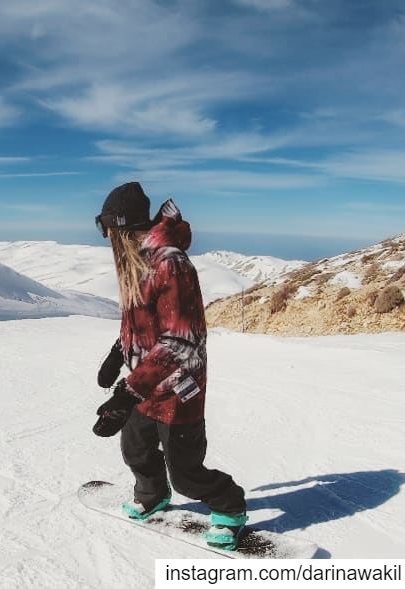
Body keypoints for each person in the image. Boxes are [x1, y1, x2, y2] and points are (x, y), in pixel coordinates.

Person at [92, 181, 247, 551]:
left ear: (123, 229)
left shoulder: (171, 264)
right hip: (144, 384)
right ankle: (151, 494)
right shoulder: (138, 263)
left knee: (188, 476)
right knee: (136, 451)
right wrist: (118, 354)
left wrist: (128, 392)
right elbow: (143, 322)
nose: (108, 240)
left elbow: (181, 340)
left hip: (178, 390)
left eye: (109, 231)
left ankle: (229, 507)